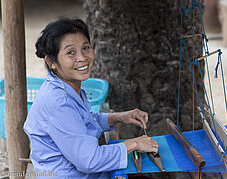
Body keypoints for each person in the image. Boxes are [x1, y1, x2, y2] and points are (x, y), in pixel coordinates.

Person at [23, 18, 159, 179]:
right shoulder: (59, 102)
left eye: (86, 48)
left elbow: (82, 121)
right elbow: (89, 160)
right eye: (70, 52)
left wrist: (121, 117)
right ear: (52, 61)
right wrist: (135, 143)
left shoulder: (66, 87)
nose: (82, 58)